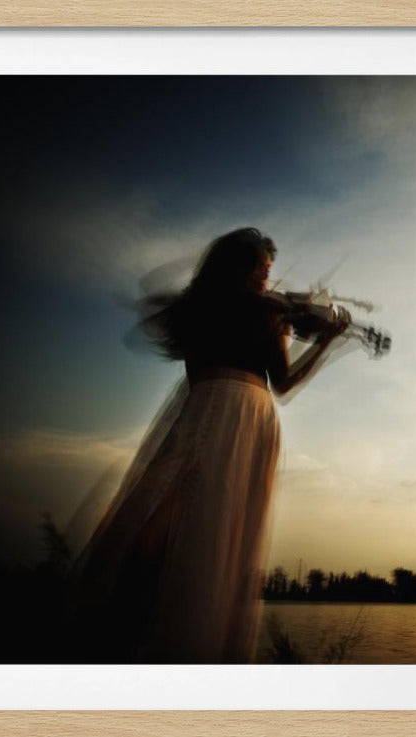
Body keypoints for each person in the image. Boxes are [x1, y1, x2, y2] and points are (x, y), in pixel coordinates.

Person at [69, 227, 347, 663]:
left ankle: (170, 651)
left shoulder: (266, 313)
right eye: (259, 266)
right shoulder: (208, 310)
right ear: (234, 266)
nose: (265, 277)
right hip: (205, 412)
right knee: (151, 532)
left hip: (248, 417)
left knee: (212, 532)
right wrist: (290, 319)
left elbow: (285, 384)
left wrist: (325, 341)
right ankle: (124, 645)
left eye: (268, 270)